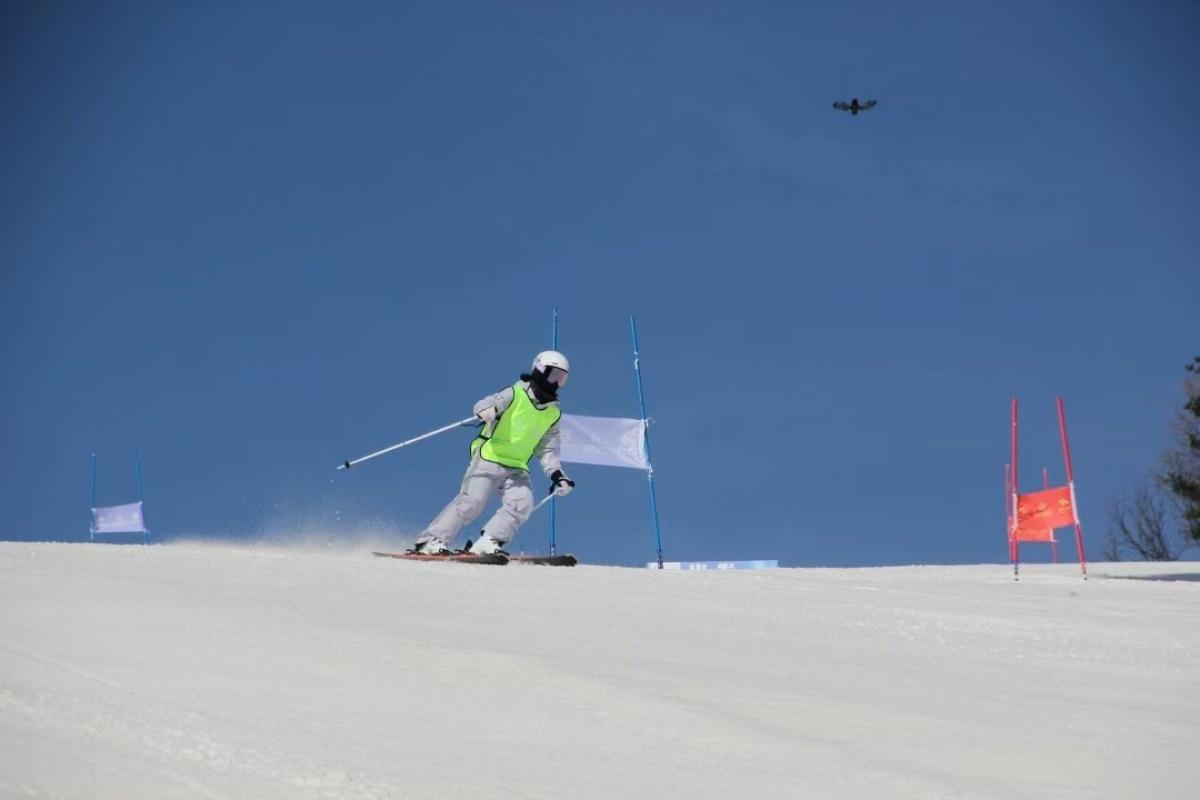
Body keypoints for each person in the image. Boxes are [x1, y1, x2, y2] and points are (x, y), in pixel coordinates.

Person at [410, 351, 576, 555]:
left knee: (522, 503)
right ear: (539, 371)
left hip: (517, 468)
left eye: (562, 379)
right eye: (553, 376)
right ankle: (431, 541)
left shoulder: (553, 414)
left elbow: (548, 450)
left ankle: (489, 542)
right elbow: (490, 402)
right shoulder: (516, 393)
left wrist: (558, 476)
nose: (556, 383)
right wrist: (486, 410)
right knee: (472, 503)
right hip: (490, 458)